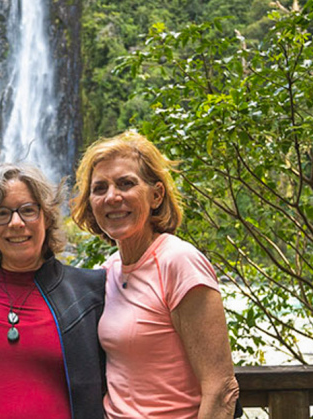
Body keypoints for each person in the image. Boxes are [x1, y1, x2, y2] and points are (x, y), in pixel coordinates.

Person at [71, 130, 239, 419]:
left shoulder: (179, 262)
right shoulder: (107, 272)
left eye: (126, 184)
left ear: (156, 195)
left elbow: (222, 388)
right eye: (100, 188)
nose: (112, 197)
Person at [0, 163, 106, 419]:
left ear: (47, 217)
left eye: (28, 210)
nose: (16, 223)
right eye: (2, 213)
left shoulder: (90, 292)